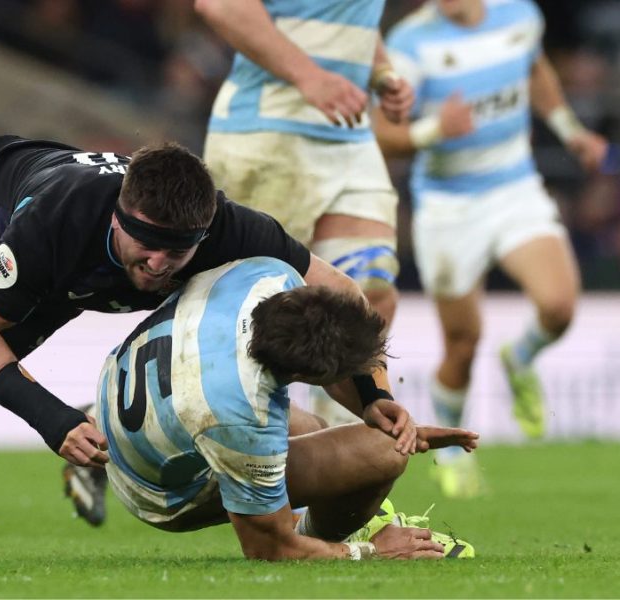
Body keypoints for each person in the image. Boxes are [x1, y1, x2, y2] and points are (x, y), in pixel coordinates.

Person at [0, 117, 412, 561]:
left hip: (64, 272)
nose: (157, 267)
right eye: (144, 247)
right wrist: (52, 418)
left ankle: (378, 522)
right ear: (120, 214)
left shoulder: (230, 228)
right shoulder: (59, 226)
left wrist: (371, 391)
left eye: (175, 255)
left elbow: (340, 298)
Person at [373, 0, 608, 498]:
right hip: (449, 207)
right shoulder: (410, 44)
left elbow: (535, 67)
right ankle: (455, 454)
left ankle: (520, 359)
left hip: (514, 189)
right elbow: (379, 131)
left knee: (560, 306)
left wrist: (571, 132)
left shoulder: (519, 15)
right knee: (462, 343)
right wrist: (434, 129)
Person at [94, 256, 477, 559]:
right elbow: (268, 548)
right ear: (304, 374)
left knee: (314, 427)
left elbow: (342, 288)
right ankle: (353, 530)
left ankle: (346, 517)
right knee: (383, 452)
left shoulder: (269, 275)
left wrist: (374, 400)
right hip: (155, 490)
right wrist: (370, 552)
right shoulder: (237, 415)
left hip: (131, 395)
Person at [193, 0, 416, 426]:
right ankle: (136, 429)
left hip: (348, 135)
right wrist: (309, 76)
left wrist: (381, 73)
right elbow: (220, 6)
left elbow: (349, 20)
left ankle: (346, 454)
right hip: (265, 134)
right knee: (245, 313)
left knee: (370, 292)